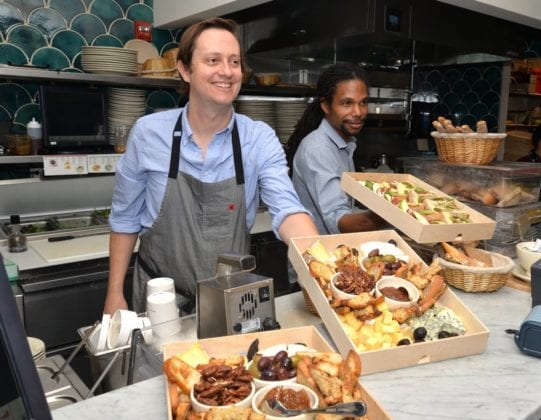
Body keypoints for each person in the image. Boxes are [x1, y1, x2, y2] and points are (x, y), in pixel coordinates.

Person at [103, 17, 318, 314]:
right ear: (185, 69)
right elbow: (125, 220)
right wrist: (114, 293)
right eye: (213, 60)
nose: (227, 71)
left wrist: (319, 261)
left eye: (234, 61)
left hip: (231, 301)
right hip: (161, 302)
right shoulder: (149, 133)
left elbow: (288, 210)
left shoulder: (258, 138)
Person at [288, 63, 385, 235]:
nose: (358, 112)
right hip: (317, 258)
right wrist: (395, 213)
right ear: (326, 106)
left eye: (363, 103)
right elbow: (340, 222)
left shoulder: (345, 143)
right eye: (347, 103)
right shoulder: (318, 149)